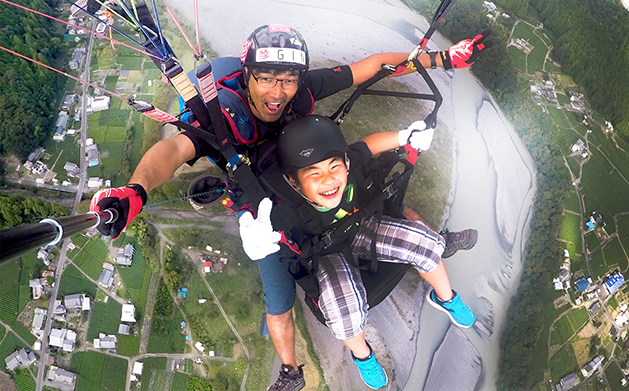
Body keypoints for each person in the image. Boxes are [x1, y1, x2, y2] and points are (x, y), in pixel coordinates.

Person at [90, 24, 490, 391]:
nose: (278, 92)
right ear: (247, 75)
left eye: (287, 79)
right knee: (279, 302)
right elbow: (174, 148)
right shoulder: (219, 118)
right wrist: (136, 191)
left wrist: (442, 59)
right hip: (267, 214)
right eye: (265, 79)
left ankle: (435, 252)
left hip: (320, 183)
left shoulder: (300, 88)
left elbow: (371, 67)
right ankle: (291, 371)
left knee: (401, 214)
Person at [240, 115, 475, 389]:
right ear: (295, 183)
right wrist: (257, 230)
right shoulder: (287, 208)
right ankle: (363, 356)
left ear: (345, 163)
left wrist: (404, 137)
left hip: (363, 228)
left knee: (428, 244)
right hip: (324, 254)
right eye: (314, 174)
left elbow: (367, 146)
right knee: (343, 313)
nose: (328, 180)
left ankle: (445, 298)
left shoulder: (352, 166)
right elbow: (267, 222)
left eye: (333, 167)